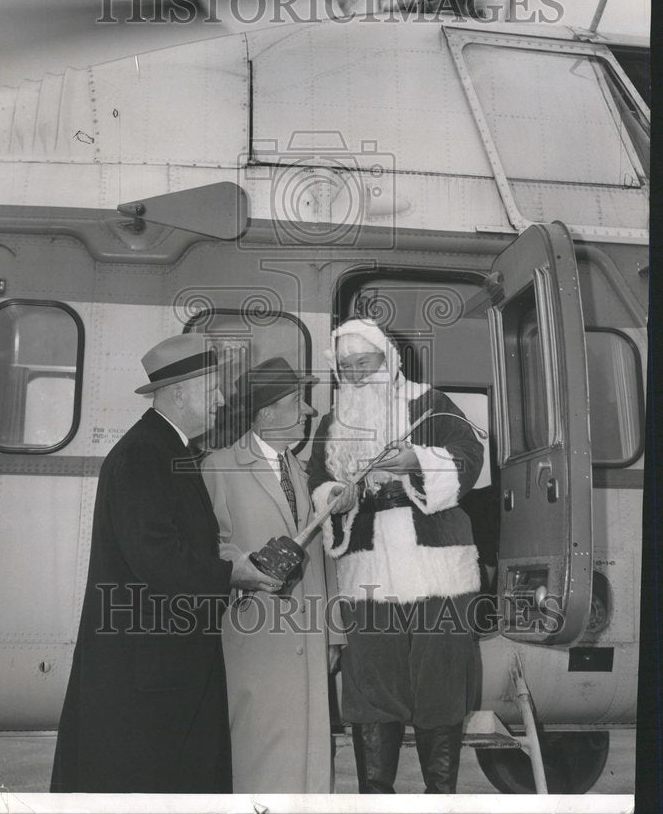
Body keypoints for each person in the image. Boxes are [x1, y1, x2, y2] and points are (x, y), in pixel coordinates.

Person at [51, 333, 275, 793]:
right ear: (178, 392)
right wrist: (235, 574)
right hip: (148, 677)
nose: (220, 401)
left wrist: (228, 563)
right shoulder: (143, 456)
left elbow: (173, 548)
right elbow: (157, 558)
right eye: (212, 389)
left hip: (159, 667)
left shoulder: (162, 449)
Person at [307, 318, 484, 794]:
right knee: (369, 687)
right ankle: (375, 797)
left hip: (439, 567)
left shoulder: (431, 403)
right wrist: (333, 498)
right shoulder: (333, 422)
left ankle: (439, 796)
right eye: (346, 367)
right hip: (369, 568)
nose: (357, 374)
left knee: (441, 684)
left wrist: (416, 462)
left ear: (389, 360)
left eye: (364, 363)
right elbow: (316, 482)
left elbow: (469, 454)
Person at [204, 356, 346, 794]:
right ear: (266, 413)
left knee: (309, 761)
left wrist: (334, 633)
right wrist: (245, 565)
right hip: (257, 641)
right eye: (297, 401)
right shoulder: (219, 467)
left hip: (307, 637)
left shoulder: (301, 473)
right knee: (259, 758)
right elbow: (207, 547)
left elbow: (322, 558)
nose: (308, 411)